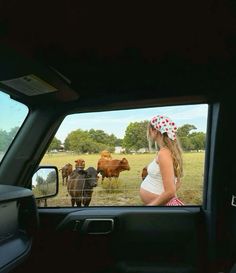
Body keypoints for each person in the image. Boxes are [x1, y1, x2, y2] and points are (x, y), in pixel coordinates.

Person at [140, 115, 184, 206]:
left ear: (155, 131)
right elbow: (178, 182)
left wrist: (150, 207)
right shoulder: (168, 151)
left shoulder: (164, 153)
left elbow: (170, 191)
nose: (148, 133)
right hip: (162, 206)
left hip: (161, 207)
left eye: (149, 130)